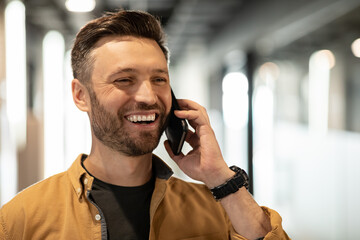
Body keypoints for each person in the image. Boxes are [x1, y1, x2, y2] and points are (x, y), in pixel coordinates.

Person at [0, 10, 290, 240]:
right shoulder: (21, 220)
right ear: (80, 95)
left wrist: (221, 178)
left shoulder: (218, 210)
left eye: (159, 79)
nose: (148, 96)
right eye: (124, 80)